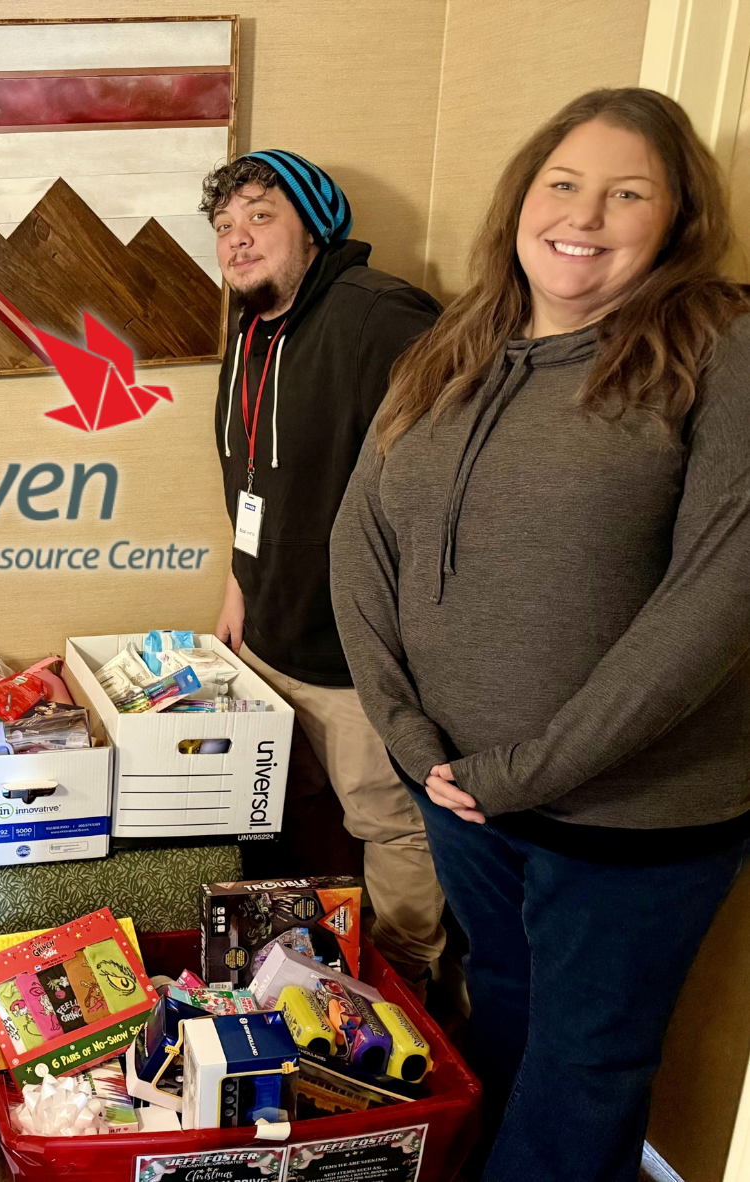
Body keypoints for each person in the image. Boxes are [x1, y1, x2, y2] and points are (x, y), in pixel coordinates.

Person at [330, 88, 750, 1180]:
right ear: (522, 196)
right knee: (504, 1006)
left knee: (584, 1066)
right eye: (563, 183)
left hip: (627, 814)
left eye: (628, 194)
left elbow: (720, 599)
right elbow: (360, 538)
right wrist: (409, 737)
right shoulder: (458, 341)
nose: (585, 215)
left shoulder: (723, 347)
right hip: (465, 793)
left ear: (679, 220)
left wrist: (532, 769)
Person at [204, 149, 445, 988]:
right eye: (225, 226)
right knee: (294, 811)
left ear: (315, 227)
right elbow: (253, 477)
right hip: (270, 630)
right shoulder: (253, 327)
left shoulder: (380, 317)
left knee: (390, 824)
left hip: (355, 655)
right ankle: (317, 972)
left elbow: (448, 485)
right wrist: (238, 583)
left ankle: (408, 985)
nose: (238, 239)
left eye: (260, 216)